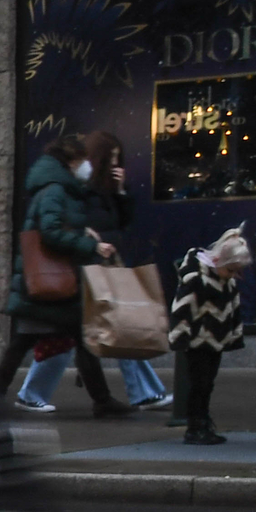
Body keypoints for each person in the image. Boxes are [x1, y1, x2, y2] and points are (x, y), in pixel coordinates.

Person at [6, 135, 129, 415]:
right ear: (72, 161)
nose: (87, 165)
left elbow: (58, 226)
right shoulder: (55, 190)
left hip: (56, 275)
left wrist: (83, 234)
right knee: (23, 341)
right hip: (52, 276)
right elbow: (50, 231)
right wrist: (90, 244)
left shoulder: (61, 188)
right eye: (83, 160)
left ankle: (102, 400)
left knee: (74, 337)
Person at [81, 131, 169, 410]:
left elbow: (123, 223)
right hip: (94, 264)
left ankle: (29, 391)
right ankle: (142, 392)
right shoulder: (85, 189)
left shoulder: (107, 190)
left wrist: (121, 192)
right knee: (119, 324)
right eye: (112, 159)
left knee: (116, 325)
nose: (116, 165)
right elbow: (94, 225)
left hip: (106, 261)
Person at [169, 228, 249, 445]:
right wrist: (181, 336)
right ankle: (195, 425)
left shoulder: (227, 281)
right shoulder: (196, 278)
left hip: (215, 338)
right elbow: (183, 308)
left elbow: (234, 310)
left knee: (207, 383)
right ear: (219, 261)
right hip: (198, 339)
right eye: (231, 270)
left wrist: (234, 335)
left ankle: (202, 422)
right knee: (199, 383)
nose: (233, 276)